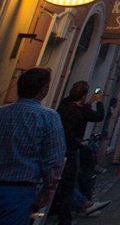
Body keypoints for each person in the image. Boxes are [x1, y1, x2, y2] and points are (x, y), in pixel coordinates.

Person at [0, 67, 65, 225]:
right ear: (44, 89)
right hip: (20, 189)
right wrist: (47, 190)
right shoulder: (48, 117)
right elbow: (55, 159)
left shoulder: (2, 113)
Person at [52, 82, 105, 225]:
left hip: (57, 148)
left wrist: (89, 103)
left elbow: (81, 109)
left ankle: (81, 205)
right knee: (68, 184)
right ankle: (66, 216)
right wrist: (99, 102)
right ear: (82, 95)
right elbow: (99, 116)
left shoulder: (64, 105)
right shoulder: (79, 111)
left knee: (59, 181)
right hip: (71, 150)